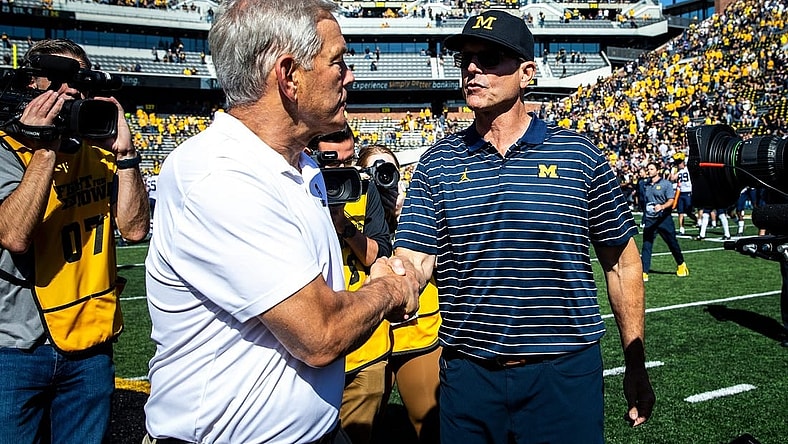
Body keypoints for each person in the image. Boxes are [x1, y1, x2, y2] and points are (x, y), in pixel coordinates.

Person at [142, 1, 420, 443]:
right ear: (289, 76)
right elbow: (321, 334)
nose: (350, 75)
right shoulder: (221, 175)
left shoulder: (300, 164)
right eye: (338, 61)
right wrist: (388, 287)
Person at [393, 11, 655, 444]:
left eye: (491, 57)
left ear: (527, 72)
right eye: (466, 58)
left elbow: (622, 265)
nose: (473, 68)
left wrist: (635, 363)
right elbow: (415, 260)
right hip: (467, 374)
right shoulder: (436, 163)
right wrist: (393, 281)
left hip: (563, 375)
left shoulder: (579, 155)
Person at [0, 38, 149, 441]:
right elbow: (14, 235)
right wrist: (45, 148)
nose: (70, 93)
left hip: (90, 340)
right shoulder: (6, 146)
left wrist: (127, 156)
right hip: (15, 344)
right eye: (59, 80)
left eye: (79, 82)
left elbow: (134, 230)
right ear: (32, 83)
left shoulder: (98, 148)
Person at [308, 126, 393, 444]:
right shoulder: (295, 189)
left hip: (365, 345)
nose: (341, 169)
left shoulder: (362, 189)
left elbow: (379, 254)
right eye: (331, 160)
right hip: (314, 340)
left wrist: (343, 225)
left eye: (349, 159)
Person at [358, 145, 441, 442]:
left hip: (416, 329)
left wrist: (407, 217)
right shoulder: (351, 207)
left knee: (429, 422)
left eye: (387, 171)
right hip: (370, 336)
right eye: (373, 172)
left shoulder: (415, 207)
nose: (382, 179)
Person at [641, 161, 689, 281]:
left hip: (664, 219)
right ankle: (644, 271)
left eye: (651, 169)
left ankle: (681, 263)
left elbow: (671, 200)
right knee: (647, 245)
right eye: (648, 169)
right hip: (651, 219)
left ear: (657, 170)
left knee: (672, 243)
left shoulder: (666, 184)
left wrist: (662, 207)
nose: (649, 171)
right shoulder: (646, 185)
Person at [669, 152, 697, 235]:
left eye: (679, 163)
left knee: (689, 212)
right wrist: (672, 169)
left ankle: (697, 220)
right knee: (680, 212)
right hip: (681, 193)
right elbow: (672, 178)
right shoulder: (679, 171)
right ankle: (681, 229)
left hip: (688, 192)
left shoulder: (688, 169)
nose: (678, 165)